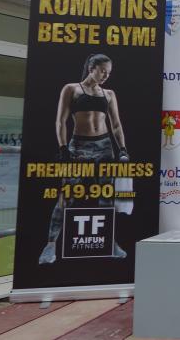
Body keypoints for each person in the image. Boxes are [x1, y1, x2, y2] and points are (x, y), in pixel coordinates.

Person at [38, 53, 130, 264]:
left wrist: (123, 148)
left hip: (105, 147)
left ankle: (109, 242)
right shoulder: (72, 89)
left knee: (106, 197)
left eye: (109, 73)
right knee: (67, 195)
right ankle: (50, 246)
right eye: (103, 71)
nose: (106, 75)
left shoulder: (109, 94)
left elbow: (116, 125)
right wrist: (63, 147)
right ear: (91, 68)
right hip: (79, 147)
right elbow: (60, 121)